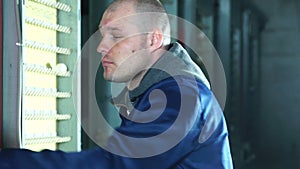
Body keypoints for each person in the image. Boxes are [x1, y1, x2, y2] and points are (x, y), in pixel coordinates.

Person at [0, 0, 233, 168]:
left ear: (153, 39)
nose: (101, 46)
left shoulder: (181, 97)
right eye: (102, 35)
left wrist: (7, 161)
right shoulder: (153, 93)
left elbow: (114, 165)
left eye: (117, 36)